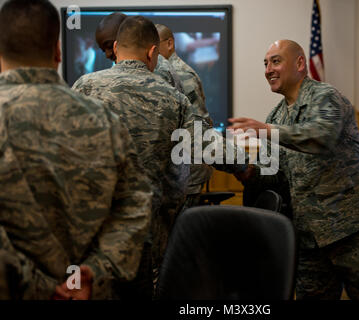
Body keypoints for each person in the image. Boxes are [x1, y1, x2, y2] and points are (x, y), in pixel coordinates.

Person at [72, 16, 248, 292]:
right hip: (149, 230)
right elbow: (206, 145)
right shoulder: (172, 97)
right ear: (153, 52)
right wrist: (245, 166)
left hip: (96, 228)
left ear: (116, 47)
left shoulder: (84, 87)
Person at [0, 0, 153, 299]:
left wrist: (42, 288)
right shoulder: (104, 121)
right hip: (89, 290)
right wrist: (95, 270)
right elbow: (136, 204)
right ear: (57, 51)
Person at [229, 39, 359, 300]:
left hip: (356, 232)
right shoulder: (276, 116)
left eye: (276, 61)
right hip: (311, 238)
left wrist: (266, 131)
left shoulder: (326, 97)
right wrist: (243, 169)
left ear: (299, 63)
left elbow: (321, 137)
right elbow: (273, 172)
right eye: (265, 63)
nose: (268, 70)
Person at [156, 24, 213, 208]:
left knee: (183, 233)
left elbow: (198, 126)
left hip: (187, 174)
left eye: (154, 46)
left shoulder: (181, 74)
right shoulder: (161, 72)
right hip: (175, 173)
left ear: (170, 43)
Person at [95, 12, 184, 93]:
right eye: (103, 50)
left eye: (110, 46)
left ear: (126, 34)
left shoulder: (159, 67)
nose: (107, 54)